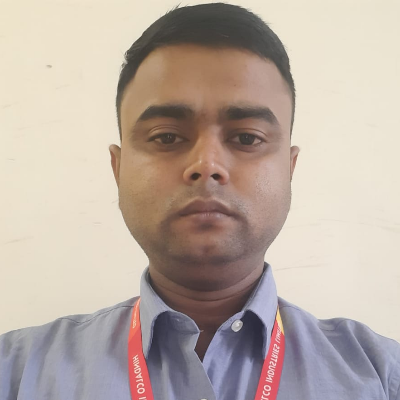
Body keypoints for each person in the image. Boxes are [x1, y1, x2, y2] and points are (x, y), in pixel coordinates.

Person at [1, 3, 399, 400]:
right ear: (118, 169)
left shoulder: (382, 375)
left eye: (247, 138)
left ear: (289, 169)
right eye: (166, 137)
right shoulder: (16, 373)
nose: (207, 165)